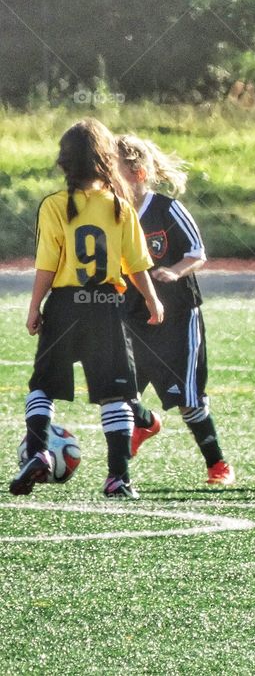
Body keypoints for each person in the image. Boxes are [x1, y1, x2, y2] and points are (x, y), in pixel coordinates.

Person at [9, 118, 164, 499]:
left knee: (42, 386)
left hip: (64, 304)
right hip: (107, 307)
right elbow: (136, 264)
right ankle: (118, 479)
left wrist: (35, 306)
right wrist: (152, 299)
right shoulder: (120, 208)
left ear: (64, 164)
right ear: (107, 162)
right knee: (116, 394)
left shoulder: (54, 206)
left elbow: (47, 262)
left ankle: (40, 451)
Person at [116, 134, 235, 486]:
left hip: (178, 315)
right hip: (131, 313)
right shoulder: (113, 214)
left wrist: (174, 270)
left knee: (188, 398)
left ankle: (218, 465)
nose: (108, 181)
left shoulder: (168, 210)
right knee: (118, 392)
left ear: (137, 174)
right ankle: (145, 423)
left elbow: (197, 253)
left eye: (115, 173)